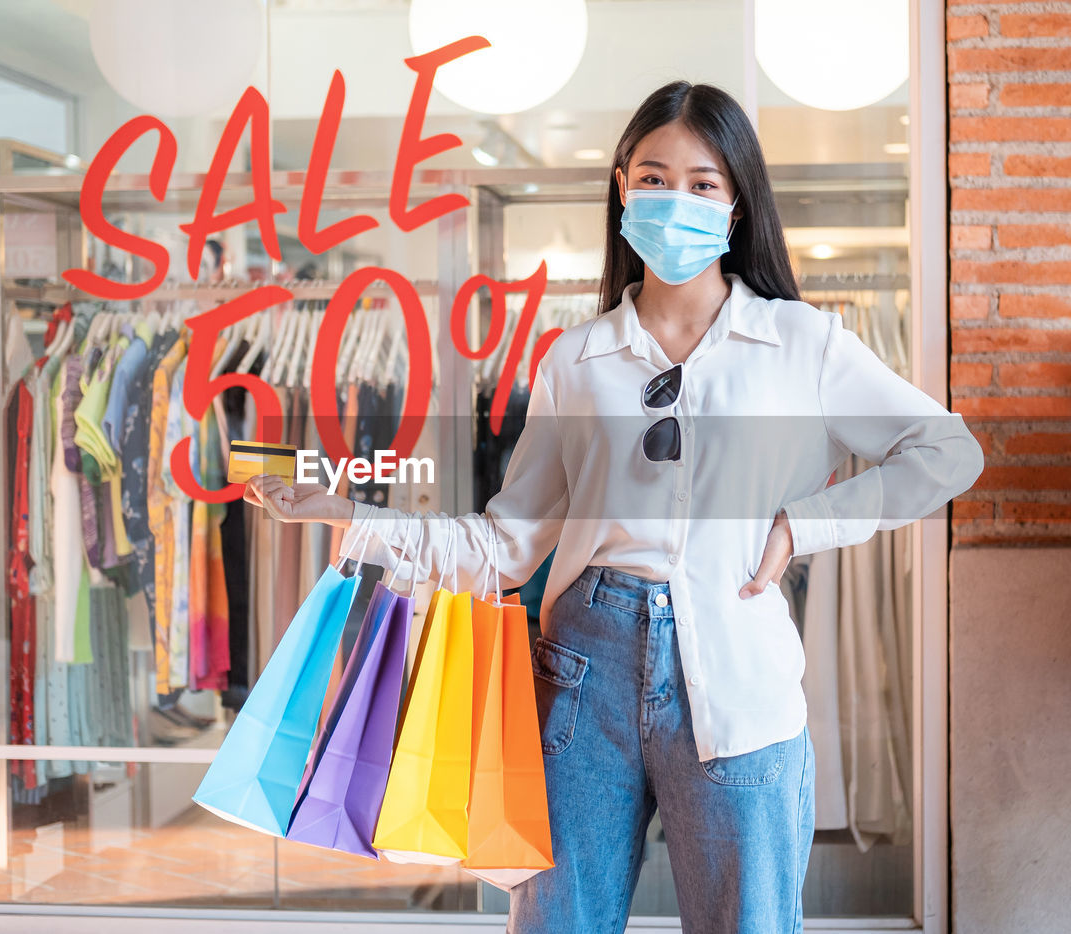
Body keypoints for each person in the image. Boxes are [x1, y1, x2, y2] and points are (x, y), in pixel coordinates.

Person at [243, 81, 984, 934]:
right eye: (654, 177)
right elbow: (505, 546)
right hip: (581, 672)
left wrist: (799, 526)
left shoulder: (802, 345)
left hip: (739, 674)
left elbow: (947, 451)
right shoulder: (577, 360)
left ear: (738, 205)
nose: (677, 200)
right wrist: (353, 518)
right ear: (623, 189)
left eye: (703, 183)